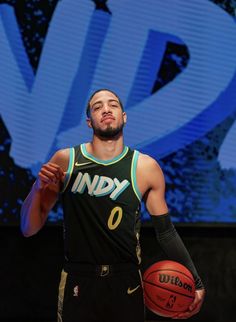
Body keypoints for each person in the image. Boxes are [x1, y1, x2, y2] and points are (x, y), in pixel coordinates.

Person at [21, 89, 205, 322]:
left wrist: (196, 282)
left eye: (112, 105)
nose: (106, 109)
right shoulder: (66, 160)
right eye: (97, 107)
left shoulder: (145, 167)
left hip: (126, 280)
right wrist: (38, 186)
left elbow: (166, 232)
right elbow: (29, 228)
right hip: (79, 278)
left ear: (124, 116)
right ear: (89, 122)